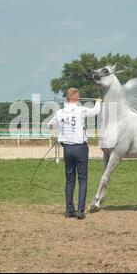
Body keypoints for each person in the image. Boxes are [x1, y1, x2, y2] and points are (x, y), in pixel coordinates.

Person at [48, 88, 102, 219]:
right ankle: (80, 210)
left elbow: (50, 125)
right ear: (76, 98)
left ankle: (69, 210)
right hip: (80, 148)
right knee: (82, 179)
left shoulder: (60, 112)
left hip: (67, 149)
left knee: (70, 179)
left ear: (67, 98)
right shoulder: (81, 109)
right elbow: (96, 111)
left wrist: (61, 127)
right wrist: (98, 101)